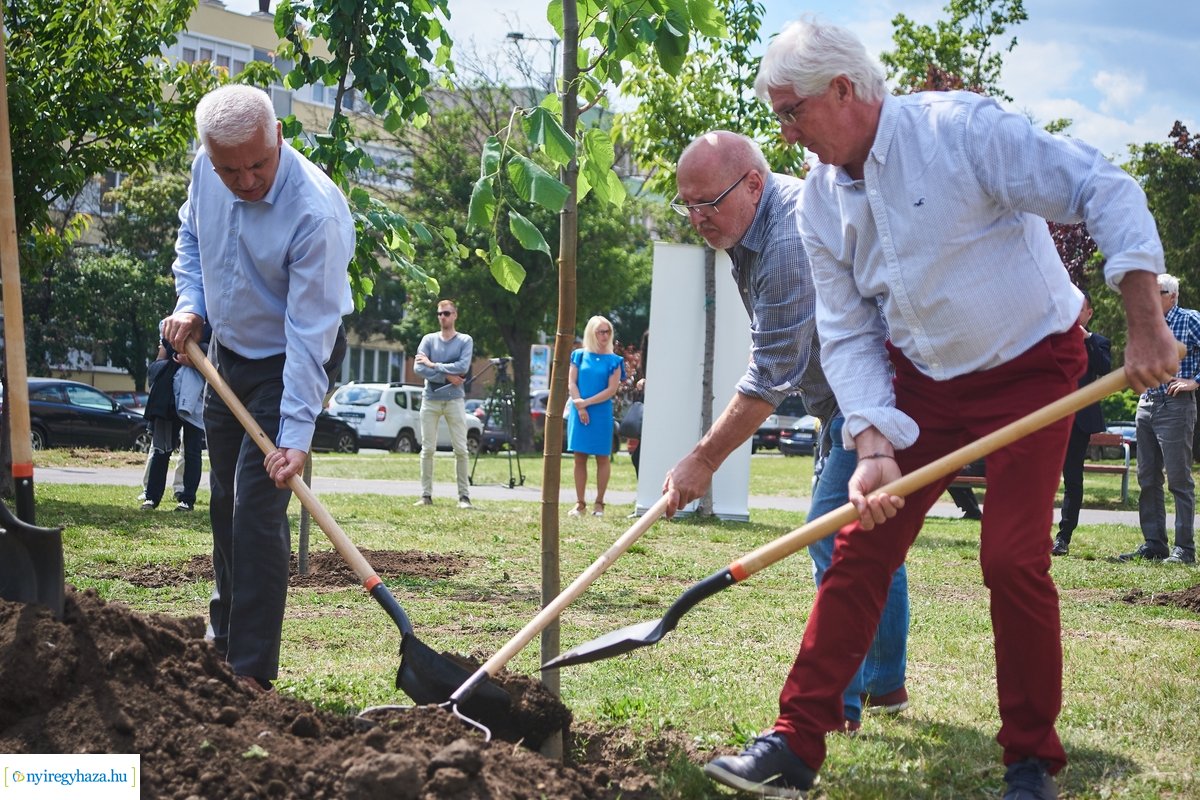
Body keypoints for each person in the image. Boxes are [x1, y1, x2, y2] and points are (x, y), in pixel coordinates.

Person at [701, 19, 1177, 800]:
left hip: (1033, 366)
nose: (786, 136)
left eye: (793, 113)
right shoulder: (818, 202)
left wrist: (1144, 321)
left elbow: (1104, 185)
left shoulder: (959, 130)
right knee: (860, 549)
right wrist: (874, 437)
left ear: (845, 91)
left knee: (1011, 558)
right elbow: (850, 330)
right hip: (919, 382)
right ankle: (794, 744)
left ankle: (1030, 762)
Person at [664, 130, 910, 734]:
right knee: (870, 539)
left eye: (708, 203)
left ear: (753, 184)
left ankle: (835, 707)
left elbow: (771, 372)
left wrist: (702, 460)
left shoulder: (786, 238)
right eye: (686, 205)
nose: (697, 218)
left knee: (833, 538)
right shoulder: (749, 229)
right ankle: (886, 686)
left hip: (878, 400)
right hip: (843, 405)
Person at [161, 84, 353, 694]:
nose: (244, 181)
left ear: (277, 138)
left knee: (256, 510)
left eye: (258, 165)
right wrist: (192, 306)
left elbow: (309, 337)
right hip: (226, 354)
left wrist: (297, 435)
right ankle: (221, 646)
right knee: (224, 505)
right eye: (230, 169)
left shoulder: (314, 213)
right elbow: (190, 239)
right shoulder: (205, 172)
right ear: (210, 157)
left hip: (287, 364)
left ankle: (249, 675)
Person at [1116, 274, 1200, 564]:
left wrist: (1194, 381)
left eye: (1158, 292)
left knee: (1179, 479)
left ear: (1173, 296)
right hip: (1147, 404)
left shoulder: (1189, 320)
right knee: (1148, 478)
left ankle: (1184, 550)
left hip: (1175, 406)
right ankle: (1154, 544)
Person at [1054, 292, 1111, 556]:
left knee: (1073, 480)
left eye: (1081, 310)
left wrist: (1087, 340)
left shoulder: (1098, 342)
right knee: (1038, 478)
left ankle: (1063, 537)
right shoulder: (1052, 340)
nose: (1075, 314)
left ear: (1089, 314)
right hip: (1051, 419)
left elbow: (1103, 367)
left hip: (1078, 423)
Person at [412, 299, 474, 509]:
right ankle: (425, 495)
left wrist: (434, 365)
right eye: (440, 314)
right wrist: (448, 376)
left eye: (447, 313)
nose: (443, 317)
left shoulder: (465, 340)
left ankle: (464, 497)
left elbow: (463, 365)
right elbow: (418, 369)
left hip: (454, 400)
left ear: (455, 315)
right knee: (427, 449)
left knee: (461, 449)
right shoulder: (428, 340)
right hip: (430, 399)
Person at [566, 316, 626, 516]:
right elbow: (572, 382)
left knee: (603, 457)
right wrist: (580, 405)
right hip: (579, 410)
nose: (605, 335)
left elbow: (611, 390)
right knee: (579, 457)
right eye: (601, 331)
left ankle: (599, 503)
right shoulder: (579, 355)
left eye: (608, 331)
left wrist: (587, 403)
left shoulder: (615, 361)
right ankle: (580, 503)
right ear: (591, 333)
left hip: (600, 413)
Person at [141, 333, 206, 513]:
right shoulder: (170, 328)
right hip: (167, 397)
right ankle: (151, 497)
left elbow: (214, 364)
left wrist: (193, 362)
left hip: (194, 400)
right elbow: (158, 361)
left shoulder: (209, 330)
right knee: (161, 450)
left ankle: (186, 500)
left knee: (192, 451)